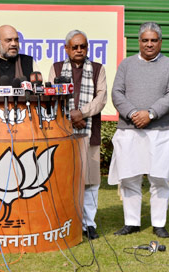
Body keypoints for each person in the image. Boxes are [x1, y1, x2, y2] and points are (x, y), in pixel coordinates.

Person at [109, 22, 169, 238]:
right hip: (129, 130)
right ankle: (131, 222)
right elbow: (117, 93)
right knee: (130, 177)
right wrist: (133, 113)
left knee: (159, 178)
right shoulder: (126, 65)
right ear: (138, 42)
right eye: (145, 40)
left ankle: (158, 223)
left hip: (160, 130)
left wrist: (149, 114)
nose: (149, 44)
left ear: (160, 42)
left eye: (153, 40)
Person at [48, 30, 107, 240]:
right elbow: (52, 97)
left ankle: (89, 225)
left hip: (89, 132)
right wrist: (71, 116)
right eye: (75, 47)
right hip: (63, 133)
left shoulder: (98, 69)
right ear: (67, 49)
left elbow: (101, 99)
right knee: (65, 179)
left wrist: (80, 114)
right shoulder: (56, 68)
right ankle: (66, 222)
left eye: (83, 46)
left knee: (90, 181)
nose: (79, 50)